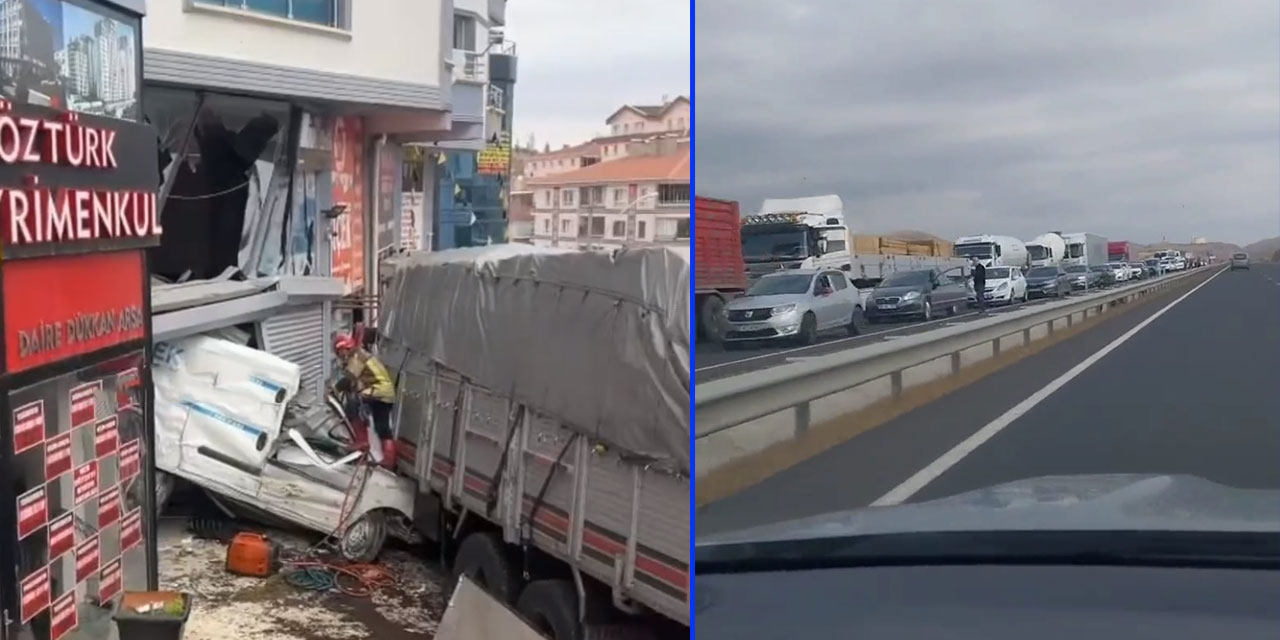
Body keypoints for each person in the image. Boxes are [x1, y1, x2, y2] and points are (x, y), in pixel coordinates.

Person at [333, 333, 398, 469]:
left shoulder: (357, 357)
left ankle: (362, 442)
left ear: (345, 348)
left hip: (378, 390)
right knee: (382, 426)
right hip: (384, 392)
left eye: (340, 352)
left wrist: (335, 389)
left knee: (354, 405)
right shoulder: (358, 354)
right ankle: (388, 460)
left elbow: (349, 378)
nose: (340, 355)